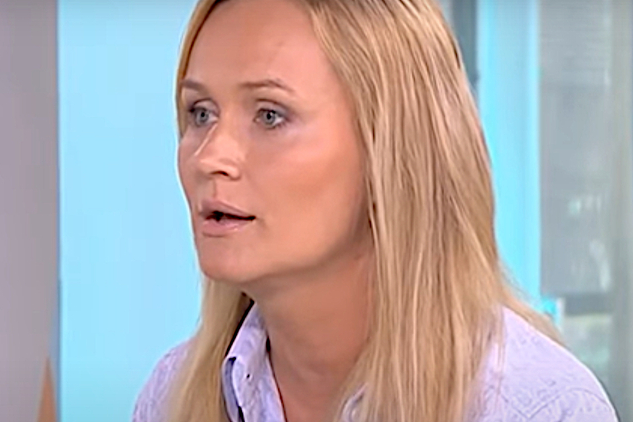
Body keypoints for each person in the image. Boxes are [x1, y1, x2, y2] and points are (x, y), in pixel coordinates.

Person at [132, 0, 618, 421]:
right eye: (201, 113)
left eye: (270, 115)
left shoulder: (537, 407)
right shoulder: (172, 397)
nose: (209, 157)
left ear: (390, 148)